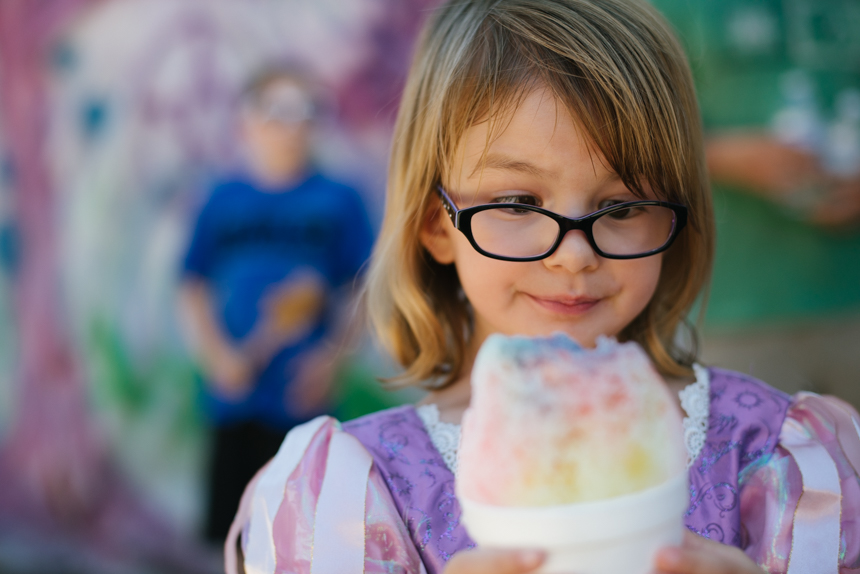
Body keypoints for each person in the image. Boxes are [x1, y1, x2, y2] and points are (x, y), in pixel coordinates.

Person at [225, 1, 860, 572]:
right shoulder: (354, 492)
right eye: (518, 201)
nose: (575, 255)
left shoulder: (781, 459)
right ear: (434, 224)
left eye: (622, 206)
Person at [178, 67, 374, 543]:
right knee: (230, 529)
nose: (293, 127)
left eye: (307, 113)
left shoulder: (339, 200)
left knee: (298, 532)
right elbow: (192, 284)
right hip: (234, 393)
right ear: (246, 122)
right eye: (278, 113)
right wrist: (214, 354)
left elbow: (361, 290)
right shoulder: (221, 198)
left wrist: (333, 359)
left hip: (302, 394)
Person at [648, 0, 860, 408]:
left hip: (850, 300)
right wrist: (727, 155)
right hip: (730, 308)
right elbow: (625, 124)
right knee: (742, 466)